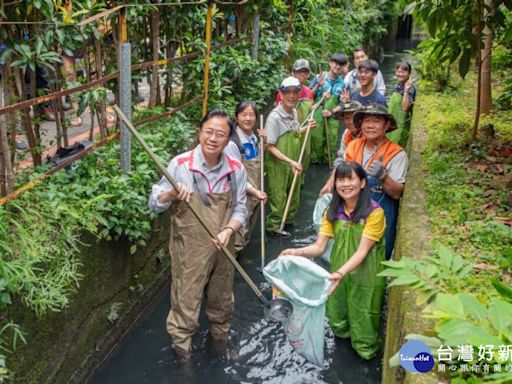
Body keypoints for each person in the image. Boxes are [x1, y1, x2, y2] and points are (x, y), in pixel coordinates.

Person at [148, 109, 248, 358]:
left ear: (228, 140)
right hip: (189, 250)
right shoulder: (180, 165)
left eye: (221, 135)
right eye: (209, 132)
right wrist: (171, 193)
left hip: (224, 247)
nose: (213, 139)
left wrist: (228, 230)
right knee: (185, 303)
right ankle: (184, 361)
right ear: (200, 132)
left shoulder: (235, 169)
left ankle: (220, 345)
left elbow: (240, 209)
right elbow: (154, 203)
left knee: (222, 301)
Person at [280, 161, 386, 360]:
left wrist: (339, 273)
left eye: (350, 179)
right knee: (337, 316)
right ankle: (343, 353)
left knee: (364, 316)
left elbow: (362, 252)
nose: (345, 184)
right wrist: (295, 252)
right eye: (340, 180)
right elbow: (319, 247)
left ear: (362, 183)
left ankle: (365, 355)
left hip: (366, 275)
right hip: (338, 271)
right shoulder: (332, 210)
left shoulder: (374, 212)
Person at [345, 103, 407, 259]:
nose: (370, 125)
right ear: (361, 125)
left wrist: (383, 177)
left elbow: (397, 193)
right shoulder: (353, 146)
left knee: (377, 261)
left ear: (386, 125)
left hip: (382, 217)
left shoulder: (397, 154)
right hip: (351, 215)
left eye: (377, 121)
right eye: (367, 121)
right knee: (347, 258)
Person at [266, 76, 315, 233]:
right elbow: (270, 147)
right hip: (279, 166)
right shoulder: (274, 117)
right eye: (287, 92)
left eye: (295, 92)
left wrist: (305, 128)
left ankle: (288, 224)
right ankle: (273, 230)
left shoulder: (294, 112)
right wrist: (290, 162)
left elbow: (293, 133)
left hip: (293, 162)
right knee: (278, 200)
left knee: (293, 197)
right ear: (281, 93)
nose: (292, 96)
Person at [225, 101, 267, 251]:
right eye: (244, 115)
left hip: (255, 192)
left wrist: (264, 142)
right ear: (236, 117)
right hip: (241, 195)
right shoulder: (233, 144)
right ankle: (232, 264)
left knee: (247, 228)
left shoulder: (253, 137)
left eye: (251, 115)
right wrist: (255, 192)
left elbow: (257, 160)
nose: (248, 118)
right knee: (238, 232)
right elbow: (235, 177)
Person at [309, 53, 348, 165]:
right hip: (317, 114)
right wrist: (318, 85)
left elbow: (342, 104)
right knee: (316, 142)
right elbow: (308, 96)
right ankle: (314, 166)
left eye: (341, 64)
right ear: (330, 63)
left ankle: (328, 166)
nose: (337, 66)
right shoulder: (319, 77)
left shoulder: (342, 83)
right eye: (335, 63)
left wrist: (331, 112)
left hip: (333, 117)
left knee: (331, 143)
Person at [319, 100, 363, 195]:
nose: (351, 121)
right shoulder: (346, 134)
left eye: (354, 117)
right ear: (343, 120)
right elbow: (342, 158)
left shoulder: (367, 134)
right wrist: (330, 181)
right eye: (347, 118)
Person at [386, 62, 416, 148]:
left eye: (403, 72)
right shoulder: (398, 86)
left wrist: (406, 91)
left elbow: (405, 108)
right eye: (398, 71)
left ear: (409, 74)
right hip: (392, 124)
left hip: (400, 127)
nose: (400, 74)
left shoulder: (410, 88)